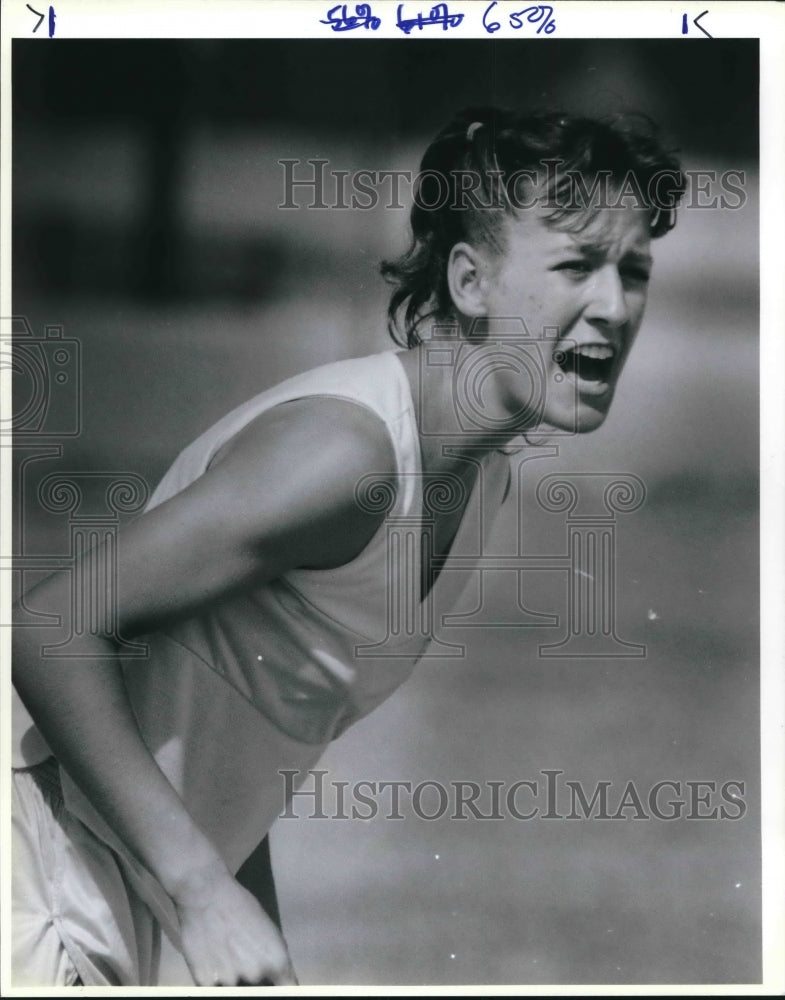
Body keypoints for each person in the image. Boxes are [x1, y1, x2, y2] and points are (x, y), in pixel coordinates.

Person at [11, 106, 685, 987]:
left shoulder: (478, 483)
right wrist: (203, 893)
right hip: (37, 884)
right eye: (576, 266)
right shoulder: (345, 455)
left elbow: (232, 738)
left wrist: (257, 944)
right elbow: (48, 627)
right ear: (470, 281)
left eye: (632, 270)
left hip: (132, 910)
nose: (615, 305)